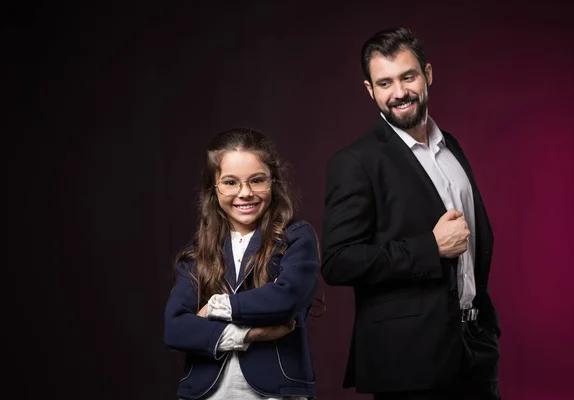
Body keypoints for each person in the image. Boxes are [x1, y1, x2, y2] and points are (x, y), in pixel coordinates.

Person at [320, 27, 501, 400]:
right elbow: (338, 261)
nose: (399, 92)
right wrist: (429, 247)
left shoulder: (451, 146)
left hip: (475, 350)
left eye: (408, 76)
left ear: (428, 74)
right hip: (408, 363)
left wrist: (485, 329)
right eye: (385, 83)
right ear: (370, 90)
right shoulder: (356, 162)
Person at [164, 128, 319, 399]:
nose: (245, 193)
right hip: (205, 392)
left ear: (273, 182)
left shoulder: (296, 237)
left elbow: (286, 299)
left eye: (257, 180)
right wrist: (249, 334)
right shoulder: (198, 252)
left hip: (277, 391)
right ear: (214, 188)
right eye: (231, 182)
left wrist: (216, 306)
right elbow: (176, 328)